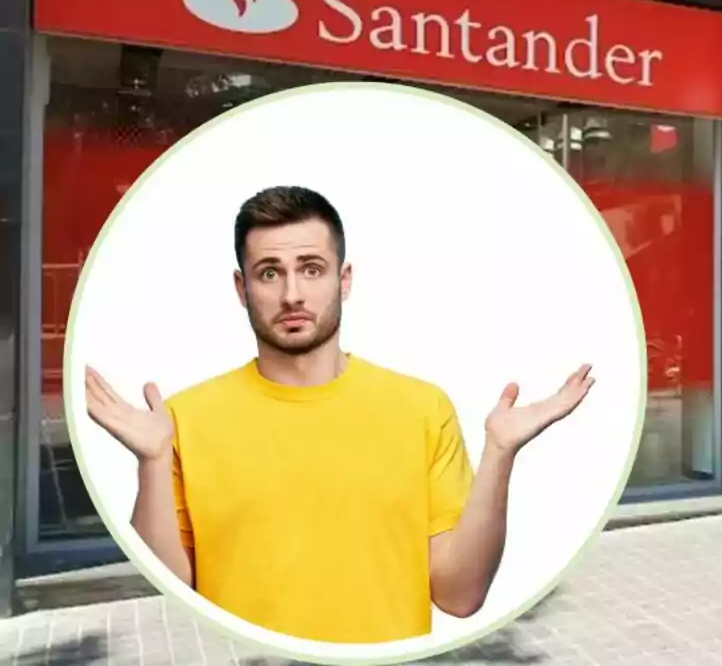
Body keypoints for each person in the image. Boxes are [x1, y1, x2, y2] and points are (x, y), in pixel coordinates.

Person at [83, 185, 595, 645]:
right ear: (242, 289)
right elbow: (174, 593)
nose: (292, 295)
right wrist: (150, 463)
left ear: (343, 280)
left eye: (311, 268)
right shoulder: (183, 419)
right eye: (269, 273)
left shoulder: (420, 408)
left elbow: (459, 596)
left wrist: (500, 455)